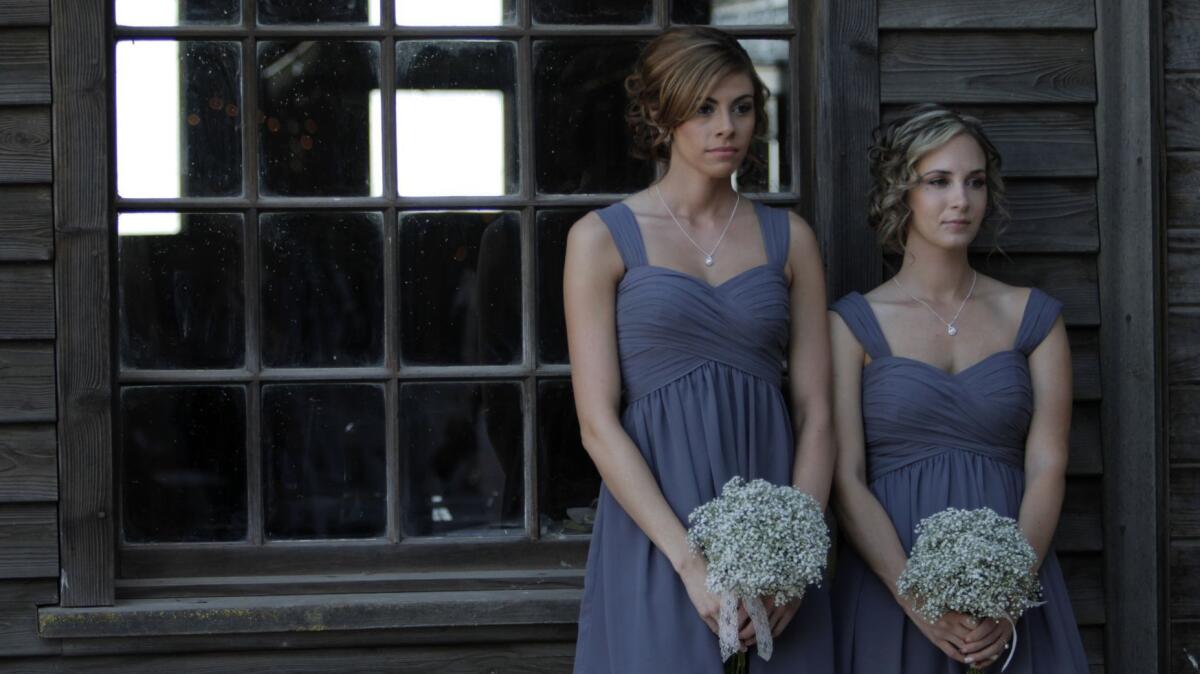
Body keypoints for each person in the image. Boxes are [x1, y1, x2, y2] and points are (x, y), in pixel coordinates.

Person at [564, 26, 836, 673]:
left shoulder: (789, 238)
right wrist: (688, 563)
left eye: (742, 107)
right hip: (659, 538)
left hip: (776, 538)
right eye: (705, 108)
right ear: (660, 115)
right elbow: (596, 423)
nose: (728, 127)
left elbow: (818, 413)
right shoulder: (600, 239)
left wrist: (793, 561)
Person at [828, 104, 1090, 673]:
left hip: (1014, 593)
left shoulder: (1033, 317)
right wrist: (914, 600)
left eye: (974, 182)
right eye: (938, 182)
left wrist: (1009, 592)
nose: (961, 200)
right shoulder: (851, 324)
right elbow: (845, 477)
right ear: (902, 194)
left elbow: (1048, 464)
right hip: (889, 589)